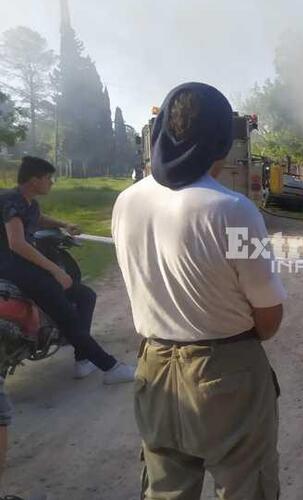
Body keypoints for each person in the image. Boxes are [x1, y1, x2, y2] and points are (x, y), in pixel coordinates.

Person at [112, 82, 286, 500]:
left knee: (165, 488)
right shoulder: (232, 209)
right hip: (226, 370)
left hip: (154, 368)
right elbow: (269, 316)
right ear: (220, 144)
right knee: (246, 483)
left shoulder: (126, 202)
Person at [0, 157, 135, 384]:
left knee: (85, 296)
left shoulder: (28, 203)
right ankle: (110, 368)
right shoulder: (10, 201)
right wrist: (55, 270)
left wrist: (63, 224)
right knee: (67, 316)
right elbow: (17, 244)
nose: (51, 183)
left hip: (23, 265)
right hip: (13, 267)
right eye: (48, 178)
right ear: (34, 180)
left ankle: (83, 359)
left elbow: (37, 219)